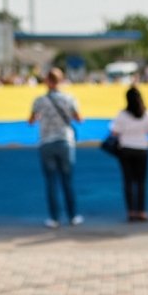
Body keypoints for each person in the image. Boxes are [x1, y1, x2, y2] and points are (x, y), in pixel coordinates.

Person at [29, 68, 83, 228]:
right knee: (67, 180)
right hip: (65, 141)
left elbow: (31, 120)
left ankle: (54, 218)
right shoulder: (69, 99)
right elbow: (79, 118)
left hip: (46, 142)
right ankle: (72, 216)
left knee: (51, 181)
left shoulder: (39, 100)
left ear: (47, 81)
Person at [109, 86, 148, 221]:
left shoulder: (122, 114)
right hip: (142, 148)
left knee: (128, 181)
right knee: (141, 182)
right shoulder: (147, 113)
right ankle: (141, 211)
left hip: (126, 148)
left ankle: (131, 211)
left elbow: (114, 131)